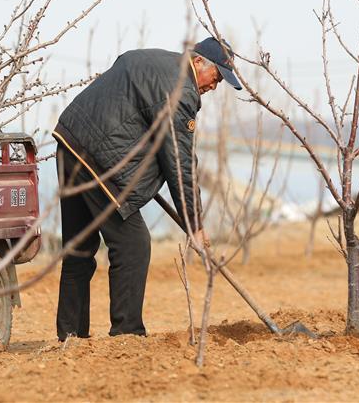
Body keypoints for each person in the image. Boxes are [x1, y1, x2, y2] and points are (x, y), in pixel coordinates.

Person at [52, 37, 242, 341]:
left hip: (70, 138)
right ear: (198, 63)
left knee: (79, 247)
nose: (214, 86)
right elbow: (179, 163)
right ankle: (127, 333)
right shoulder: (181, 91)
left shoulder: (158, 62)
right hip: (100, 158)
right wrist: (195, 226)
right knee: (134, 245)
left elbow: (146, 117)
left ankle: (71, 336)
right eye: (216, 77)